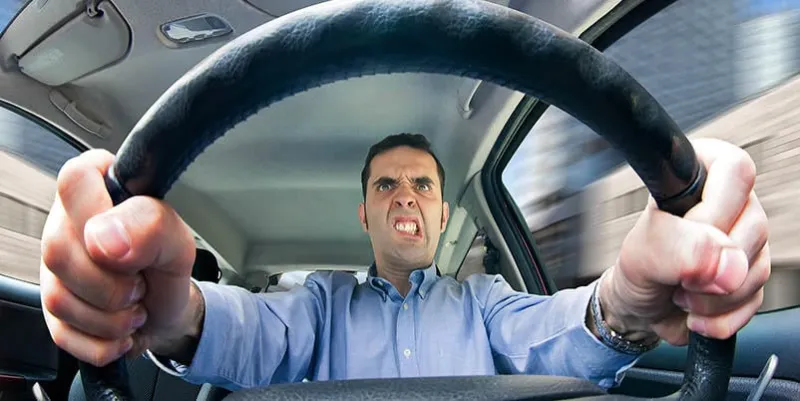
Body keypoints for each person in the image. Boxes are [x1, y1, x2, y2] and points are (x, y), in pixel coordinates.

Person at [40, 133, 770, 391]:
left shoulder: (484, 301)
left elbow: (558, 327)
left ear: (443, 212)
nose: (404, 196)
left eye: (423, 182)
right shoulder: (319, 302)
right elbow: (251, 326)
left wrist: (627, 300)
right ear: (366, 214)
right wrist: (171, 314)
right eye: (385, 184)